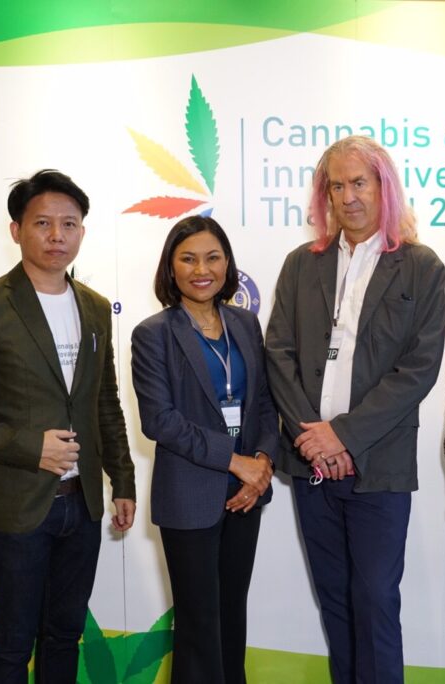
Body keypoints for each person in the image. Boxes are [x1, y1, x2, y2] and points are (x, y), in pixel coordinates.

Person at [0, 169, 136, 683]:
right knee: (13, 640)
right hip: (14, 503)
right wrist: (29, 447)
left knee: (65, 634)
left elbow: (104, 400)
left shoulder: (94, 307)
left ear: (82, 231)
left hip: (83, 504)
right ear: (16, 230)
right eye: (42, 223)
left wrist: (123, 479)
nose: (57, 235)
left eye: (69, 223)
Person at [265, 135, 445, 684]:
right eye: (337, 186)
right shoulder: (302, 264)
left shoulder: (419, 266)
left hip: (379, 467)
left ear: (383, 187)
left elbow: (418, 369)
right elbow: (279, 353)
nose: (348, 197)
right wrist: (313, 440)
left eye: (359, 183)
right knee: (335, 602)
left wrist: (342, 436)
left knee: (375, 602)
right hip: (311, 466)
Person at [131, 216, 277, 684]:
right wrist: (236, 462)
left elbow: (264, 403)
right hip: (189, 494)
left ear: (227, 264)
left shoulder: (245, 324)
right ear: (170, 267)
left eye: (213, 257)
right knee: (198, 624)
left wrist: (262, 464)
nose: (202, 269)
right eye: (188, 258)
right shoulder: (153, 333)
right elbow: (160, 420)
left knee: (233, 615)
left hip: (246, 493)